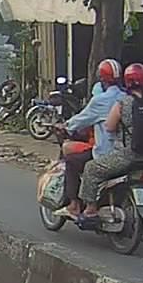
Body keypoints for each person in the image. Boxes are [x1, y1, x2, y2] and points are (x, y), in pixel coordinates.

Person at [71, 62, 143, 227]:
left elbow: (109, 126)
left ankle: (90, 210)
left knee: (91, 168)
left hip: (127, 157)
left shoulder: (122, 103)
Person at [56, 59, 126, 218]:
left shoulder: (101, 101)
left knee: (73, 162)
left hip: (107, 154)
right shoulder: (128, 98)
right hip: (128, 152)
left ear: (102, 79)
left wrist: (65, 126)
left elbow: (80, 120)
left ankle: (75, 205)